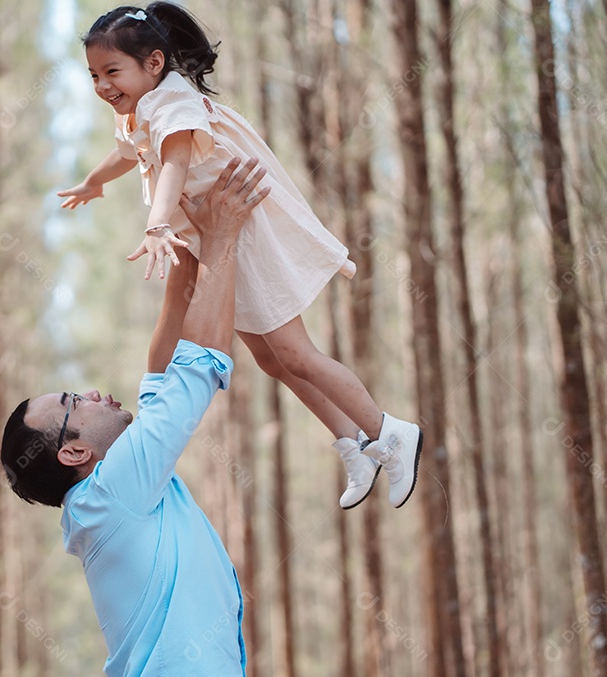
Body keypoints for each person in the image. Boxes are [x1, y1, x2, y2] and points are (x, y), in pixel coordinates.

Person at [57, 2, 422, 509]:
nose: (102, 85)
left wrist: (158, 223)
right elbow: (127, 153)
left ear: (155, 63)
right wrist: (93, 183)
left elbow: (175, 165)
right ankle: (355, 444)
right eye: (94, 75)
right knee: (271, 359)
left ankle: (392, 432)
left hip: (246, 233)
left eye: (112, 72)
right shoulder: (141, 108)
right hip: (219, 239)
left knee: (296, 352)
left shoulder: (173, 105)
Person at [2, 157, 267, 677]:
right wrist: (222, 239)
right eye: (76, 404)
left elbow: (163, 364)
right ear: (74, 452)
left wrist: (189, 245)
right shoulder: (111, 492)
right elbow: (194, 373)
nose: (96, 392)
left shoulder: (115, 488)